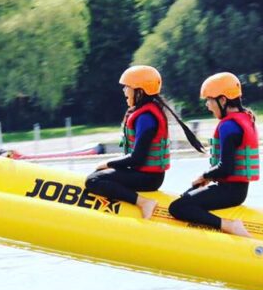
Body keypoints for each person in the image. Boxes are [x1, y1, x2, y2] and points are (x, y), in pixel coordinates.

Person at [85, 65, 204, 219]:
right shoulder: (145, 113)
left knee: (93, 180)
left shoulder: (146, 118)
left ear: (140, 91)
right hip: (144, 174)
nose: (124, 91)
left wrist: (108, 163)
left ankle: (143, 202)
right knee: (98, 174)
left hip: (148, 178)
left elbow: (137, 158)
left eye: (127, 87)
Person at [168, 72, 258, 237]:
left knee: (178, 207)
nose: (208, 106)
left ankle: (229, 225)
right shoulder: (245, 118)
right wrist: (208, 179)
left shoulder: (228, 126)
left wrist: (204, 176)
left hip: (229, 192)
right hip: (236, 191)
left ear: (222, 100)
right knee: (186, 196)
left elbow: (225, 168)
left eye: (209, 100)